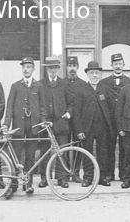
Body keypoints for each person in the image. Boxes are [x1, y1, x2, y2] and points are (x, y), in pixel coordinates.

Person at [1, 57, 47, 198]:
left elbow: (42, 107)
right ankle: (13, 186)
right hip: (18, 127)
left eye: (29, 66)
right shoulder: (16, 86)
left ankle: (28, 185)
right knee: (15, 156)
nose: (26, 69)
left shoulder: (38, 86)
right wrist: (6, 124)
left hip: (33, 126)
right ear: (22, 69)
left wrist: (43, 121)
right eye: (24, 67)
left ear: (33, 69)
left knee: (30, 157)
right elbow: (9, 107)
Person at [74, 61, 114, 187]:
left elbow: (112, 110)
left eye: (97, 73)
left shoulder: (105, 90)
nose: (94, 75)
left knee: (103, 153)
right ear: (87, 74)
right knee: (87, 153)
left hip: (103, 127)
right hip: (87, 128)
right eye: (92, 73)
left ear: (100, 74)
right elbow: (76, 112)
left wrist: (110, 128)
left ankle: (102, 177)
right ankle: (88, 178)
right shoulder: (81, 90)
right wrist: (79, 130)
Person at [38, 56, 73, 188]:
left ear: (58, 69)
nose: (52, 70)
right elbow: (39, 104)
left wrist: (68, 112)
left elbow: (70, 103)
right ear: (47, 69)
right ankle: (44, 178)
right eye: (50, 68)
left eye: (55, 68)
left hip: (61, 123)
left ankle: (61, 178)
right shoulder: (41, 84)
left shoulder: (64, 84)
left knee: (62, 151)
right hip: (46, 124)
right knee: (45, 151)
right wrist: (43, 120)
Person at [98, 53, 130, 182]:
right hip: (109, 121)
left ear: (124, 65)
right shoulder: (104, 83)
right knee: (108, 147)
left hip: (125, 120)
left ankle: (124, 174)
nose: (118, 66)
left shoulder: (129, 82)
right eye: (115, 64)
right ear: (111, 65)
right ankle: (108, 173)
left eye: (120, 63)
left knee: (125, 147)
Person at [64, 55, 88, 184]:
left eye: (74, 66)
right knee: (65, 147)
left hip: (78, 121)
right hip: (65, 121)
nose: (72, 69)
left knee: (79, 146)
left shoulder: (82, 84)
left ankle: (76, 172)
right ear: (66, 67)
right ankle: (66, 173)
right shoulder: (62, 83)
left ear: (77, 67)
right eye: (69, 66)